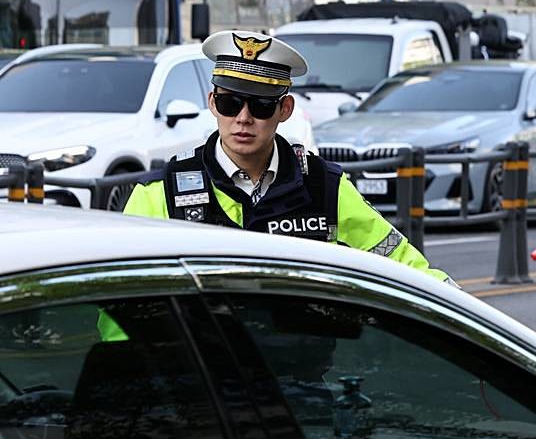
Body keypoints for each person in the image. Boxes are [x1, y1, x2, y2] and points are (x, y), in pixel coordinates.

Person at [123, 30, 450, 284]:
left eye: (261, 106)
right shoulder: (160, 193)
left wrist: (458, 306)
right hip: (201, 367)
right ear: (212, 103)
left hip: (302, 367)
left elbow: (398, 260)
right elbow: (126, 292)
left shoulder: (323, 185)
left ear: (285, 109)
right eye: (230, 104)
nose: (243, 118)